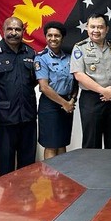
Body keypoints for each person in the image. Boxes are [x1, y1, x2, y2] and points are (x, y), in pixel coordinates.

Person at [0, 16, 37, 176]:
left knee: (28, 162)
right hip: (5, 116)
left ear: (23, 31)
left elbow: (32, 81)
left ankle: (26, 197)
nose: (14, 33)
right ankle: (8, 198)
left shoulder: (30, 52)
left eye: (18, 29)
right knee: (6, 160)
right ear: (3, 30)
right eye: (10, 29)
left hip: (28, 114)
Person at [70, 14, 111, 149]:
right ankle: (91, 171)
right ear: (87, 28)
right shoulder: (79, 48)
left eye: (100, 27)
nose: (96, 30)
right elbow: (79, 75)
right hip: (91, 99)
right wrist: (103, 91)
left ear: (107, 29)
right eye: (92, 27)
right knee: (92, 142)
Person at [34, 21, 78, 158]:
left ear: (62, 38)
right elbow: (44, 87)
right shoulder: (41, 58)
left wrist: (71, 100)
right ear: (46, 37)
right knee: (51, 144)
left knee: (62, 142)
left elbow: (74, 82)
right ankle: (50, 179)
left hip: (67, 104)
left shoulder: (69, 57)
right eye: (50, 35)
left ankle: (61, 178)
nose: (53, 39)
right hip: (50, 105)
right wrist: (64, 103)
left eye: (57, 36)